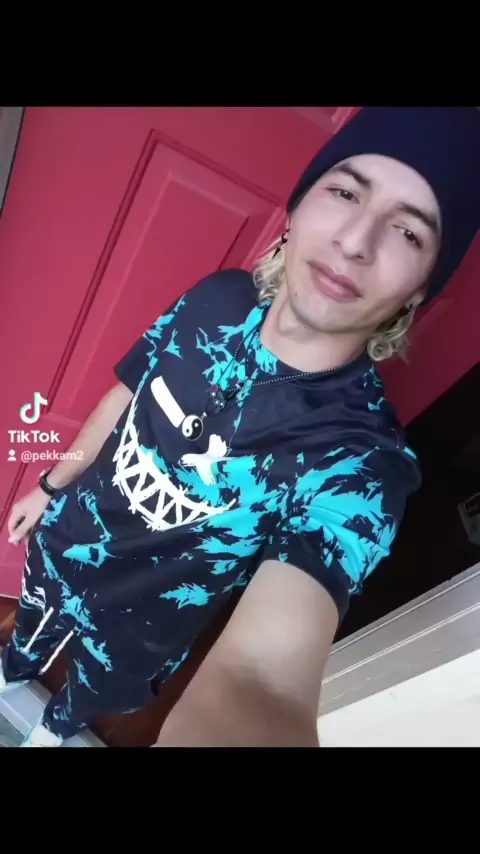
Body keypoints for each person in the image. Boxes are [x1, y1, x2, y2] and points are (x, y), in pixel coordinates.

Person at [2, 107, 479, 748]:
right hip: (67, 543)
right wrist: (51, 486)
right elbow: (128, 391)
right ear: (299, 206)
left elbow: (264, 681)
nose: (355, 241)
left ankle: (53, 732)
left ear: (421, 287)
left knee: (88, 698)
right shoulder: (216, 300)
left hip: (141, 632)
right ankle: (11, 675)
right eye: (346, 192)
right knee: (27, 634)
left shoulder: (359, 465)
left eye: (408, 232)